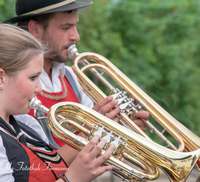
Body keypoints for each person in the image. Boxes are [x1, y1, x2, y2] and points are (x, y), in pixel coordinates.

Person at [3, 0, 149, 156]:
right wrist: (94, 128)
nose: (76, 36)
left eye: (75, 26)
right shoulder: (11, 87)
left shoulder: (74, 78)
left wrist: (123, 132)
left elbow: (95, 153)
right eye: (65, 28)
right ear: (34, 29)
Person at [0, 23, 117, 182]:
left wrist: (98, 148)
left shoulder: (27, 124)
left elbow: (48, 173)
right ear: (1, 78)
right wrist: (73, 178)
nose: (39, 88)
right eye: (33, 78)